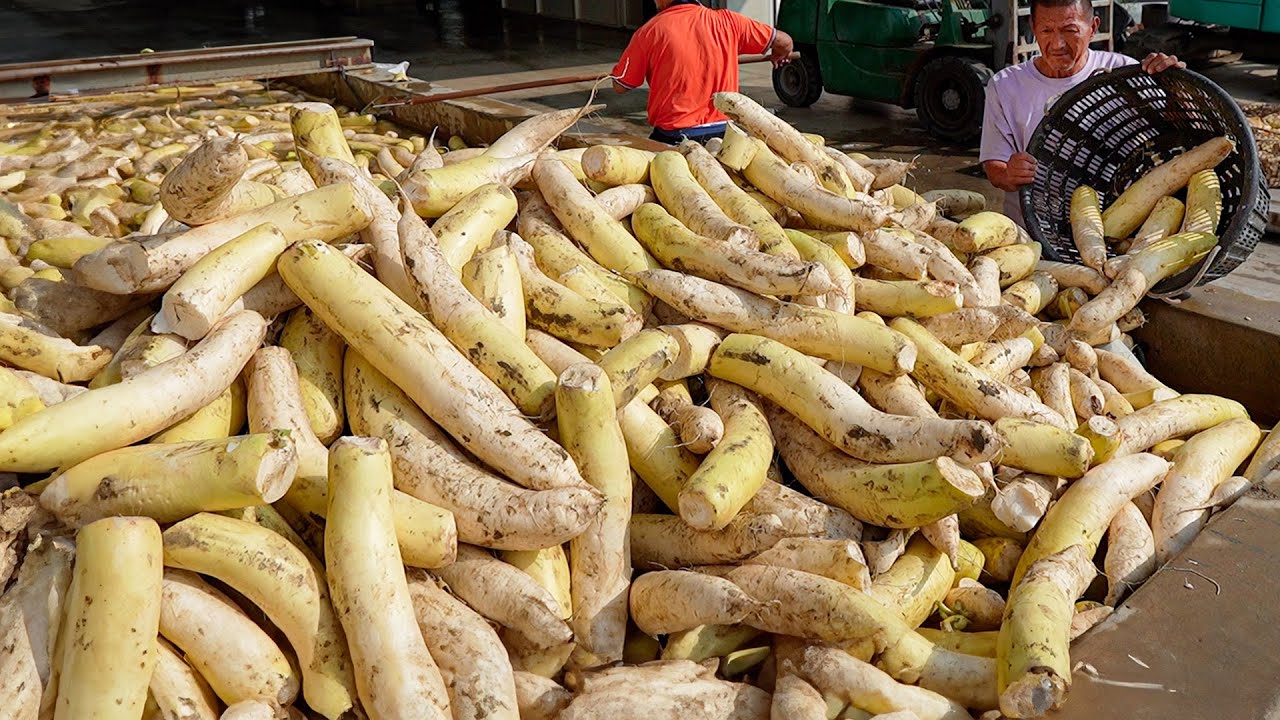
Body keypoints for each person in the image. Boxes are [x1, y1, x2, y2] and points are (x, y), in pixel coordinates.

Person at [980, 0, 1184, 226]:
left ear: (1093, 27)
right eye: (1047, 30)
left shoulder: (1122, 73)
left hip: (1112, 226)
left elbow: (1176, 132)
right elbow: (994, 164)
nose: (1057, 44)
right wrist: (1009, 174)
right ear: (1033, 27)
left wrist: (1174, 87)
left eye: (1070, 31)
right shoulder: (1005, 85)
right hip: (1030, 231)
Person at [611, 0, 794, 145]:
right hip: (726, 135)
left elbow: (620, 86)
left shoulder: (650, 31)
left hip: (675, 136)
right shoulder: (729, 21)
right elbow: (784, 41)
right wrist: (780, 54)